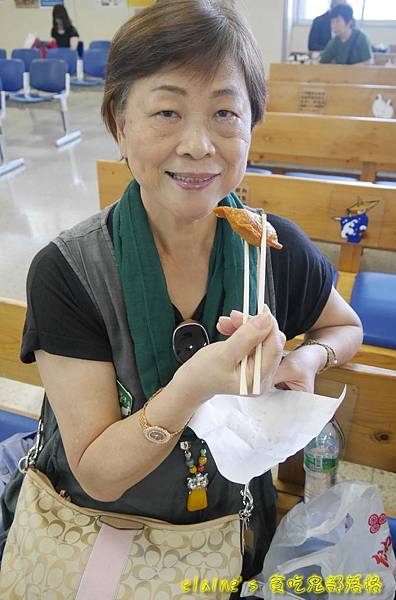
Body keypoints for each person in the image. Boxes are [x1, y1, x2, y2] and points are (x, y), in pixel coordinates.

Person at [0, 0, 363, 594]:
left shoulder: (272, 248)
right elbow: (98, 476)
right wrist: (193, 385)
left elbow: (344, 327)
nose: (198, 145)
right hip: (99, 526)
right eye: (167, 111)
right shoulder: (69, 272)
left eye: (225, 113)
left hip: (231, 525)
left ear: (251, 126)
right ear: (120, 124)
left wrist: (307, 359)